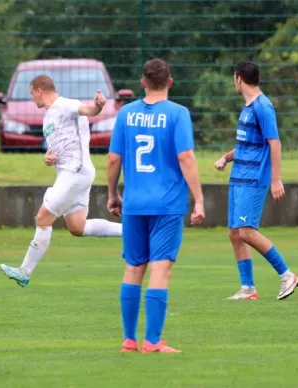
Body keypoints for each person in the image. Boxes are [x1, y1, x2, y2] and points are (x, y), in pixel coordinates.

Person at [107, 59, 205, 353]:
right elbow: (186, 157)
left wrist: (112, 193)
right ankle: (152, 341)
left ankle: (128, 339)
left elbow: (114, 159)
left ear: (142, 82)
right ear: (170, 82)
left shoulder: (126, 113)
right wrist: (198, 199)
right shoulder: (177, 114)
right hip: (166, 204)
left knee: (133, 268)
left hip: (134, 204)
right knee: (160, 270)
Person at [0, 75, 122, 287]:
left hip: (75, 171)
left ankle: (25, 271)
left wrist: (98, 106)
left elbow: (87, 110)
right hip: (72, 173)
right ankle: (131, 231)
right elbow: (57, 146)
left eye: (31, 94)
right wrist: (48, 157)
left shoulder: (64, 104)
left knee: (43, 218)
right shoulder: (48, 117)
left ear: (40, 90)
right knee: (77, 227)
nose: (32, 99)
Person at [214, 60, 298, 301]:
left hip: (253, 179)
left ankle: (287, 275)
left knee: (246, 231)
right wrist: (227, 157)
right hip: (238, 176)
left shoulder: (263, 106)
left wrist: (276, 179)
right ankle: (248, 288)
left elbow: (275, 143)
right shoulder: (248, 106)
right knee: (234, 232)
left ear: (239, 78)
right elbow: (249, 144)